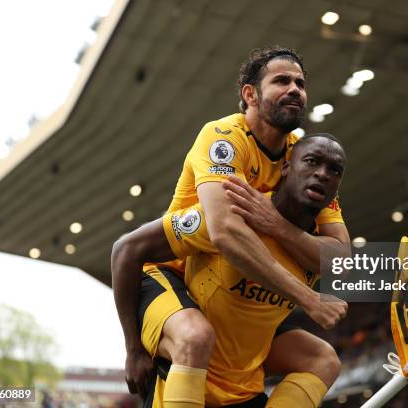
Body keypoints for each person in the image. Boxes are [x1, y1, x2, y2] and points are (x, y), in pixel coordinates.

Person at [112, 47, 350, 407]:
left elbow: (340, 257)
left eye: (301, 83)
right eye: (282, 80)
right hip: (173, 271)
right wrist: (133, 349)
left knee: (324, 359)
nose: (295, 89)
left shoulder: (305, 159)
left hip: (234, 290)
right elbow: (224, 232)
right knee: (194, 337)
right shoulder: (223, 137)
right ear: (250, 94)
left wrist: (277, 225)